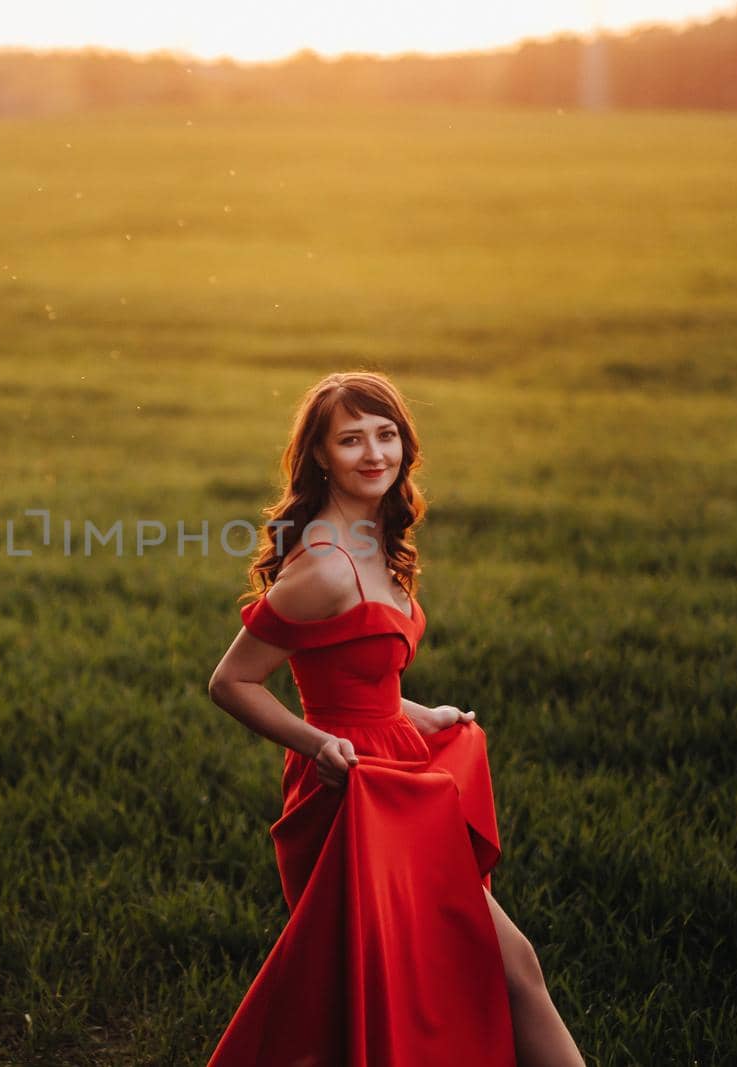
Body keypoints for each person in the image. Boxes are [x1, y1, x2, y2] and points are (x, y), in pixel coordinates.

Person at [205, 372, 585, 1067]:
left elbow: (361, 678)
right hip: (353, 796)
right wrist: (318, 743)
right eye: (350, 439)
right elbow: (232, 682)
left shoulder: (376, 539)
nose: (374, 452)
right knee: (455, 974)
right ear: (320, 455)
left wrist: (424, 712)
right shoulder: (322, 567)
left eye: (386, 435)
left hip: (402, 773)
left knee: (447, 976)